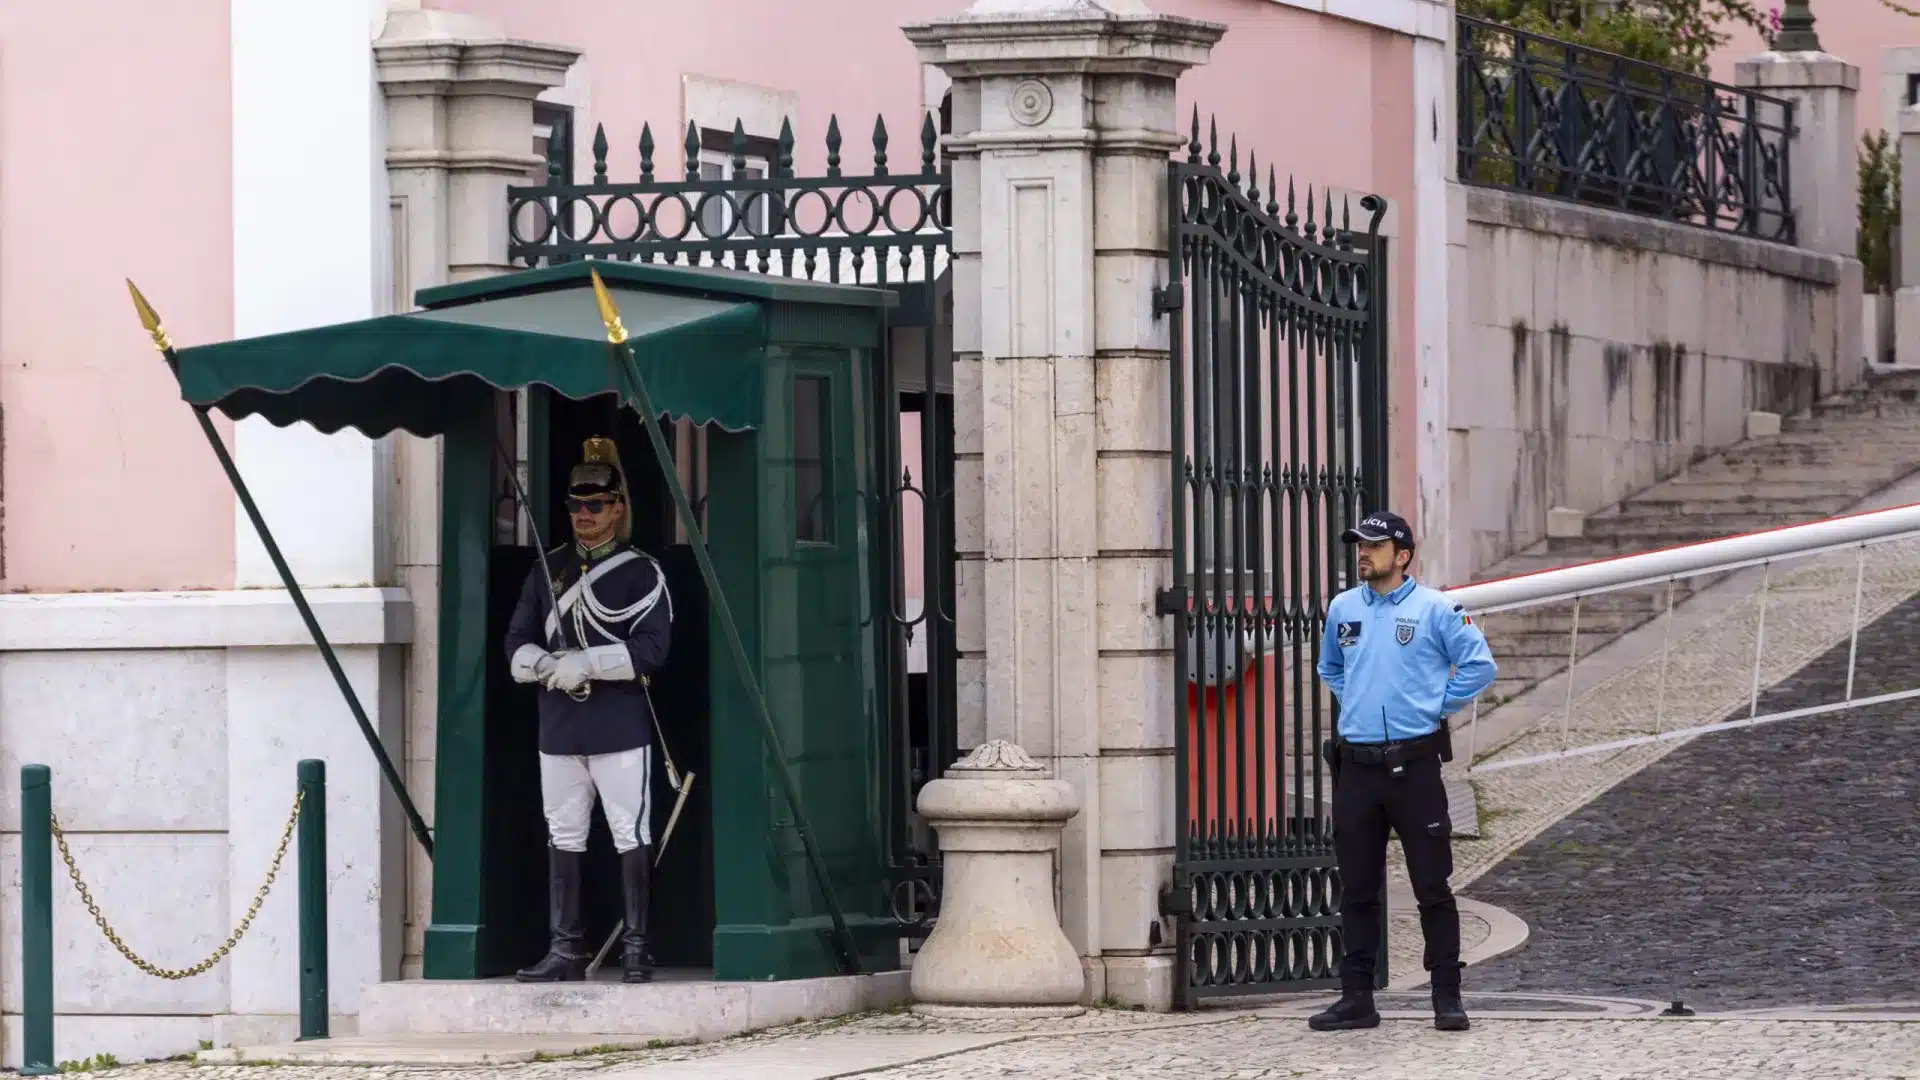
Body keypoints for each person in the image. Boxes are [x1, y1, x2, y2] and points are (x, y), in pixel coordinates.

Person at [1310, 510, 1495, 1033]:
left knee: (1432, 886)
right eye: (1358, 545)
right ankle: (1357, 998)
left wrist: (1434, 704)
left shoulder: (1437, 608)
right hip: (1358, 770)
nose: (1362, 553)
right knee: (1358, 889)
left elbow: (1481, 666)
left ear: (1403, 554)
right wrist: (1358, 705)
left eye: (1373, 545)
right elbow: (1330, 667)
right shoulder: (1343, 607)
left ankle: (1447, 997)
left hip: (1414, 767)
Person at [504, 436, 673, 984]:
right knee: (564, 833)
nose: (583, 515)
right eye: (576, 506)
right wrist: (537, 663)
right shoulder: (548, 568)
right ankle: (566, 948)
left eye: (595, 505)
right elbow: (517, 638)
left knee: (630, 833)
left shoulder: (640, 572)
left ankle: (638, 947)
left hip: (618, 723)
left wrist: (590, 663)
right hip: (559, 726)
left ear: (617, 507)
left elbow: (652, 650)